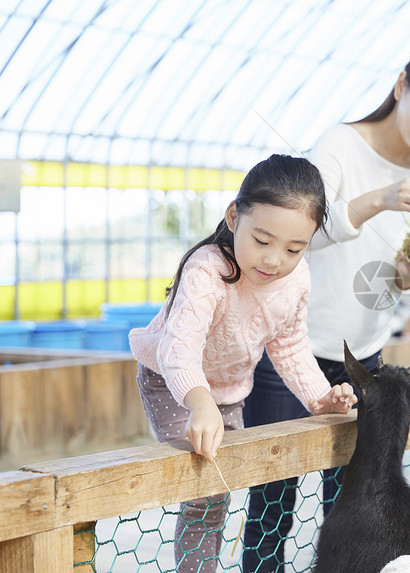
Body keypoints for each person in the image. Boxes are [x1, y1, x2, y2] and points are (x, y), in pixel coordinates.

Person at [243, 38, 410, 573]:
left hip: (365, 365)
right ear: (402, 86)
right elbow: (308, 229)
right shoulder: (341, 145)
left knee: (350, 506)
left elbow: (394, 284)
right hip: (290, 356)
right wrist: (384, 197)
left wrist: (409, 273)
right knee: (273, 503)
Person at [129, 154, 357, 573]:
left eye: (294, 248)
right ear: (234, 217)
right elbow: (177, 349)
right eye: (262, 240)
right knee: (204, 490)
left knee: (220, 489)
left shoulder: (297, 279)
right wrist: (200, 404)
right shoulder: (206, 270)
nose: (274, 260)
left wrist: (321, 399)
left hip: (229, 390)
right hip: (172, 380)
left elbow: (289, 347)